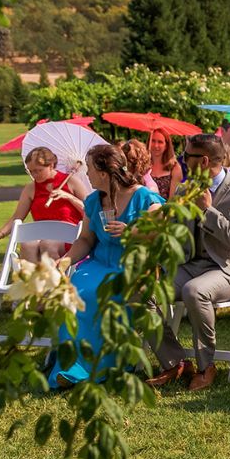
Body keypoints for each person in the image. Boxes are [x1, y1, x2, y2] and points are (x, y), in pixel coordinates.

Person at [146, 133, 230, 391]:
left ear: (204, 161)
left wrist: (208, 211)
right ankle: (174, 361)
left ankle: (206, 365)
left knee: (194, 291)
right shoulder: (185, 189)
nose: (183, 160)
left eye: (187, 156)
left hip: (229, 269)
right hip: (190, 265)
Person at [47, 144, 162, 388]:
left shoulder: (143, 196)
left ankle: (110, 365)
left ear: (103, 172)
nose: (86, 174)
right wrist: (66, 259)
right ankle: (70, 368)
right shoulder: (93, 200)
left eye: (89, 168)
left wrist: (132, 231)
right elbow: (86, 239)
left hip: (130, 267)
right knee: (74, 291)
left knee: (102, 293)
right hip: (99, 263)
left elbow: (161, 229)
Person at [0, 147, 91, 264]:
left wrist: (69, 197)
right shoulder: (31, 188)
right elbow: (17, 217)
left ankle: (55, 280)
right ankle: (32, 280)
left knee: (48, 244)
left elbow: (90, 211)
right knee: (28, 244)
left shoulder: (71, 182)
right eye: (31, 171)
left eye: (38, 170)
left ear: (51, 165)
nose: (34, 175)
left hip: (69, 236)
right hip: (42, 234)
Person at [148, 128, 184, 198]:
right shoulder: (142, 164)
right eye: (153, 141)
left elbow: (172, 200)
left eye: (160, 142)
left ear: (166, 146)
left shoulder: (174, 168)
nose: (156, 145)